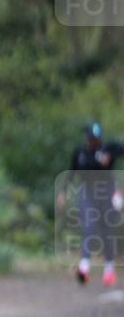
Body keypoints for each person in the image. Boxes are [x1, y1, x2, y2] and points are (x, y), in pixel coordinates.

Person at [59, 121, 122, 287]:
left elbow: (120, 150)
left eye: (97, 138)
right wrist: (63, 191)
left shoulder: (109, 148)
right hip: (87, 192)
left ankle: (109, 270)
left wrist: (109, 157)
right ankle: (84, 268)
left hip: (106, 193)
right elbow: (73, 171)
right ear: (87, 137)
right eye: (91, 137)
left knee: (108, 231)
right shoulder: (80, 153)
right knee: (89, 227)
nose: (94, 140)